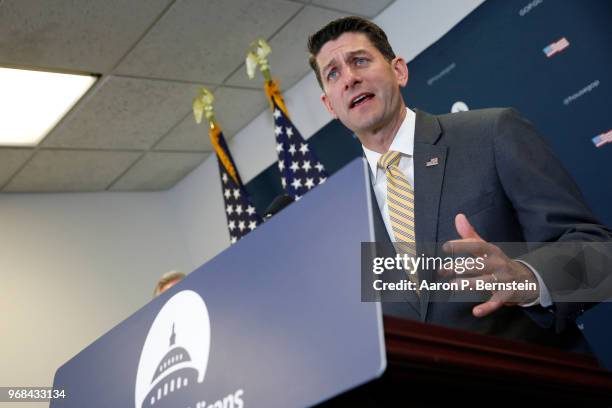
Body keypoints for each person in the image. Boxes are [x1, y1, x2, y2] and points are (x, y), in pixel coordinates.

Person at [307, 16, 612, 348]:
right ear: (329, 105)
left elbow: (600, 257)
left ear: (399, 71)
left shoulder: (492, 133)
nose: (349, 78)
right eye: (333, 74)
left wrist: (526, 278)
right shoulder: (344, 216)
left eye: (360, 60)